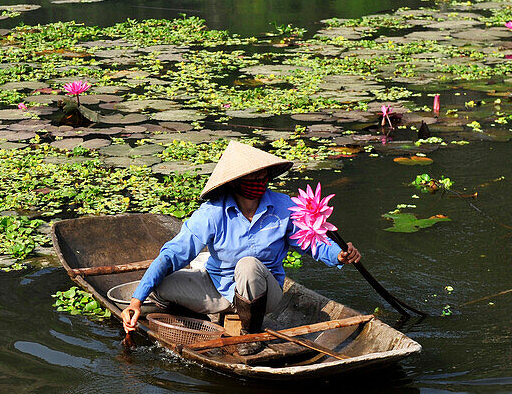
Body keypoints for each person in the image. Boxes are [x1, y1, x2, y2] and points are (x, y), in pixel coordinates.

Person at [120, 141, 360, 354]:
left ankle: (251, 334)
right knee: (160, 283)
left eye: (262, 176)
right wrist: (136, 301)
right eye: (251, 178)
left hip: (265, 295)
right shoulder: (212, 213)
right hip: (219, 288)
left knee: (248, 265)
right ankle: (200, 315)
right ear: (235, 183)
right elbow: (173, 254)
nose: (259, 182)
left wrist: (338, 255)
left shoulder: (284, 207)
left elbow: (312, 242)